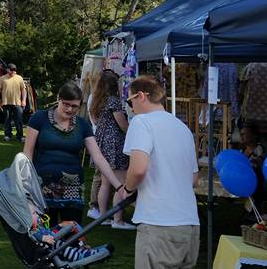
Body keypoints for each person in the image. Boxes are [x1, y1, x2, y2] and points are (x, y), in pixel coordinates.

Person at [122, 76, 200, 269]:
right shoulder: (183, 128)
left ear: (141, 96)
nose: (131, 108)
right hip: (189, 224)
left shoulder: (141, 122)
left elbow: (138, 169)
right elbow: (193, 178)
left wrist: (127, 189)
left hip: (158, 223)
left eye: (129, 101)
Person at [22, 81, 125, 226]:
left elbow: (98, 157)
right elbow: (27, 154)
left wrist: (119, 187)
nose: (70, 109)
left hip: (73, 190)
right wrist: (26, 184)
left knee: (72, 237)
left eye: (75, 106)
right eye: (66, 104)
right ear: (58, 99)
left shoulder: (82, 125)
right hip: (41, 188)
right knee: (44, 235)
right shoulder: (39, 118)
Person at [89, 70, 131, 227]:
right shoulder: (113, 101)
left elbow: (95, 120)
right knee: (121, 182)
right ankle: (118, 220)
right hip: (114, 142)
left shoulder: (96, 100)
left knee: (105, 183)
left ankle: (103, 215)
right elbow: (122, 124)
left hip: (101, 141)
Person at [0, 63, 27, 142]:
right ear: (7, 70)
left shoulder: (19, 78)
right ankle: (7, 135)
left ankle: (20, 136)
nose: (13, 71)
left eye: (14, 70)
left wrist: (24, 100)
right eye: (12, 69)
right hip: (6, 103)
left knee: (19, 120)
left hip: (17, 103)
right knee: (7, 120)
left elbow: (23, 90)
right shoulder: (2, 78)